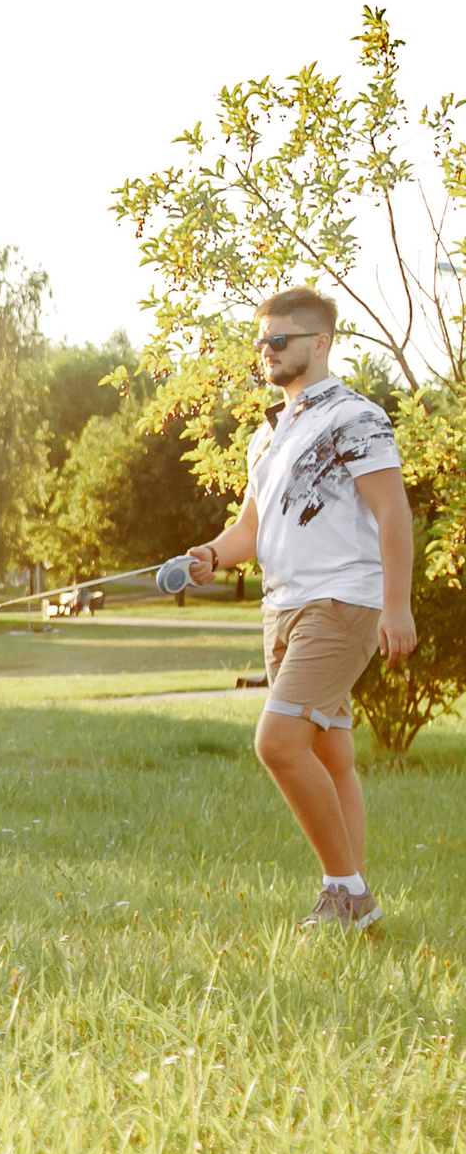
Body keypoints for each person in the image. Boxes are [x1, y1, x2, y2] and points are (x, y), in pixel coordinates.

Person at [185, 286, 415, 932]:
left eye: (279, 340)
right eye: (260, 340)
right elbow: (248, 531)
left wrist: (396, 606)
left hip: (341, 603)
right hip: (283, 608)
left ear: (320, 343)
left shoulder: (356, 417)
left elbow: (393, 511)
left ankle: (348, 894)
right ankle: (350, 900)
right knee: (332, 753)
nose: (265, 351)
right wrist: (210, 554)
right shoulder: (269, 436)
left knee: (278, 739)